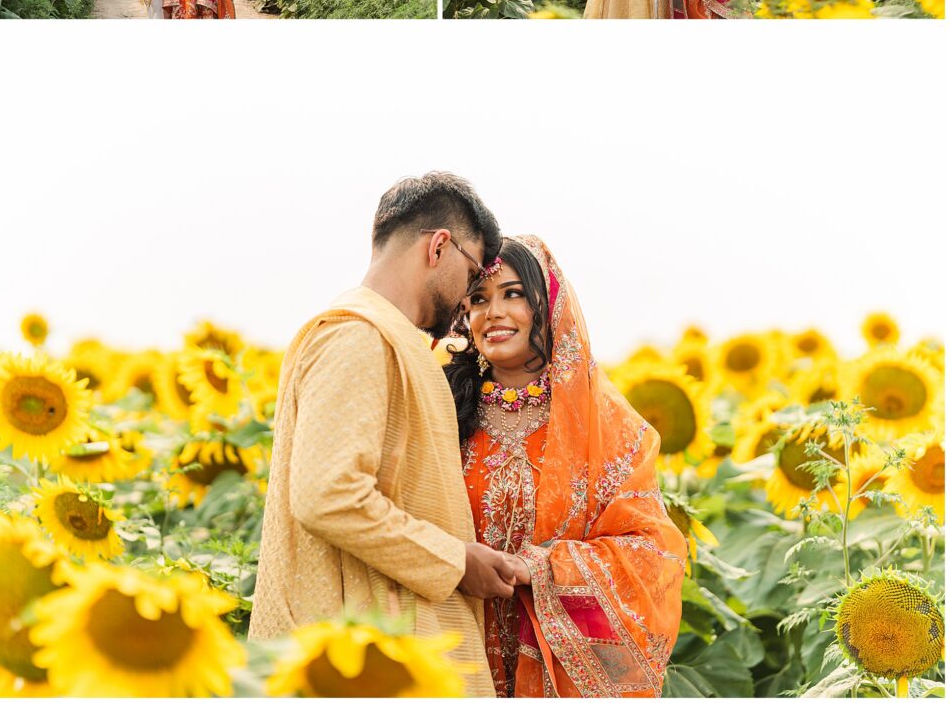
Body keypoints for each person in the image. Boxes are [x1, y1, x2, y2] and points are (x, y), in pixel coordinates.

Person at [249, 172, 517, 696]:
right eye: (471, 274)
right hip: (360, 661)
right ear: (439, 247)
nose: (468, 299)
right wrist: (456, 561)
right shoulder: (358, 337)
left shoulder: (387, 338)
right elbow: (328, 495)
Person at [445, 235, 687, 697]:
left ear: (548, 304)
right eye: (478, 299)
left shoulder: (606, 426)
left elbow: (652, 552)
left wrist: (540, 569)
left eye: (512, 294)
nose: (493, 312)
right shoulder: (443, 411)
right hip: (454, 653)